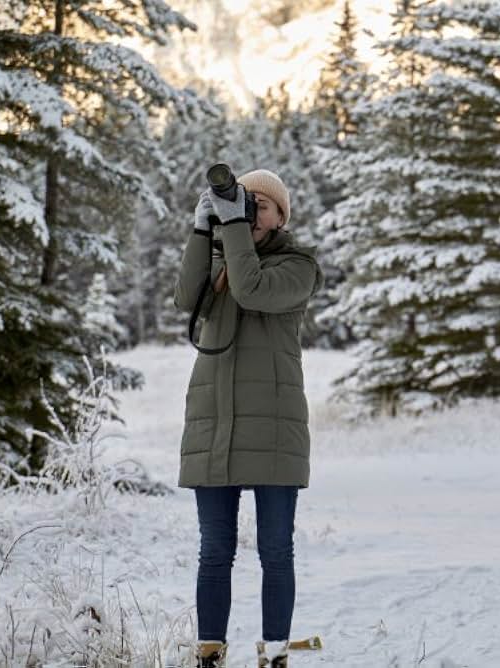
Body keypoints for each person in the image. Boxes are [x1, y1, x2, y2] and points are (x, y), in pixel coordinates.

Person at [174, 169, 323, 668]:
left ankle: (276, 654)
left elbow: (253, 289)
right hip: (213, 427)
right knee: (214, 552)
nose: (250, 212)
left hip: (273, 430)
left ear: (282, 215)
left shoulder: (299, 267)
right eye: (244, 202)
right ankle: (209, 653)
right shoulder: (221, 261)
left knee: (275, 552)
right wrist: (202, 229)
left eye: (261, 205)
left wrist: (232, 224)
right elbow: (184, 299)